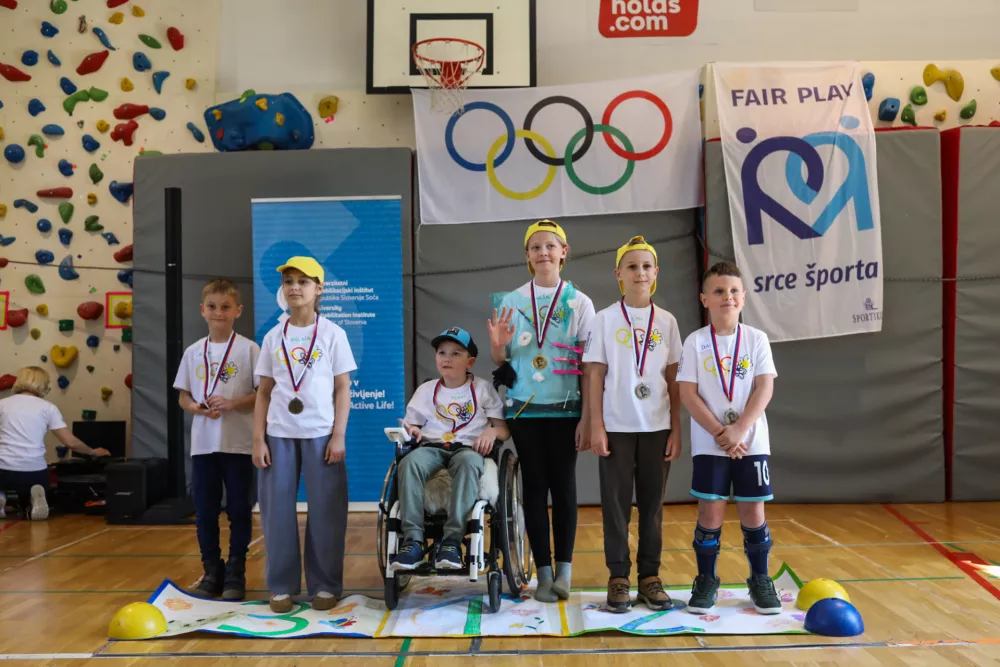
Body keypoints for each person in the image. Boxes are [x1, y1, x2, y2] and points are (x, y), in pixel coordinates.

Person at [487, 219, 595, 602]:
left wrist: (588, 417)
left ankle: (564, 571)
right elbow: (501, 359)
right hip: (524, 410)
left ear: (564, 252)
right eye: (536, 247)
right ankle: (543, 574)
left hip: (566, 410)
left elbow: (590, 365)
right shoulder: (511, 302)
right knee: (534, 487)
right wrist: (498, 346)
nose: (544, 252)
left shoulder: (580, 303)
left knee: (563, 486)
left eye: (551, 245)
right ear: (527, 256)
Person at [582, 236, 683, 613]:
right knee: (616, 504)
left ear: (656, 273)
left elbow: (674, 380)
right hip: (617, 425)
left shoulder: (668, 321)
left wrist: (677, 428)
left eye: (646, 266)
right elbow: (594, 375)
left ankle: (650, 577)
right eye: (632, 267)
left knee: (653, 506)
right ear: (618, 274)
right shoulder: (604, 319)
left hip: (656, 427)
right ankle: (618, 576)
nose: (639, 272)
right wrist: (596, 425)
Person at [676, 262, 781, 615]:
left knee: (753, 511)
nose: (727, 297)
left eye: (734, 291)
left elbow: (764, 387)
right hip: (711, 442)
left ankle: (760, 580)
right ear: (705, 298)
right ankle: (706, 580)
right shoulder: (695, 342)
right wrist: (722, 432)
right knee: (711, 512)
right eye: (719, 291)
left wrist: (739, 430)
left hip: (752, 442)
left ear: (744, 298)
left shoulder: (756, 339)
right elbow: (689, 394)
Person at [253, 256, 356, 613]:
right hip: (278, 434)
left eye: (303, 281)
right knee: (276, 512)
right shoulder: (272, 336)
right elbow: (264, 393)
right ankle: (281, 586)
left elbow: (343, 389)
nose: (294, 287)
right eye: (288, 281)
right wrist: (257, 440)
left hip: (321, 434)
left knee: (326, 512)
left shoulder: (333, 334)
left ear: (319, 288)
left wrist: (338, 435)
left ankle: (325, 585)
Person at [390, 327, 509, 571]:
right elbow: (412, 425)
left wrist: (491, 431)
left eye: (456, 354)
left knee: (467, 463)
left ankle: (452, 541)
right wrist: (412, 431)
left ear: (470, 361)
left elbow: (504, 430)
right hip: (432, 446)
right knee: (409, 462)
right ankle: (413, 541)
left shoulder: (483, 389)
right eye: (442, 353)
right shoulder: (426, 390)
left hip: (468, 448)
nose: (447, 358)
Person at [173, 278, 260, 601]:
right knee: (205, 509)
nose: (218, 312)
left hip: (238, 443)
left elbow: (262, 393)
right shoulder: (194, 351)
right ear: (202, 310)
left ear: (237, 310)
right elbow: (183, 395)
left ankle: (236, 573)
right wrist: (195, 407)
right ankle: (212, 570)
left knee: (239, 508)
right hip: (204, 445)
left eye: (225, 307)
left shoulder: (249, 349)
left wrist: (233, 403)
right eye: (212, 307)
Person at [0, 367, 110, 520]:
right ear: (44, 384)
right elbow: (70, 442)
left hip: (3, 469)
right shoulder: (48, 408)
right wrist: (93, 452)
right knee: (33, 486)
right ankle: (31, 502)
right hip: (34, 471)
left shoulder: (3, 404)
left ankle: (2, 497)